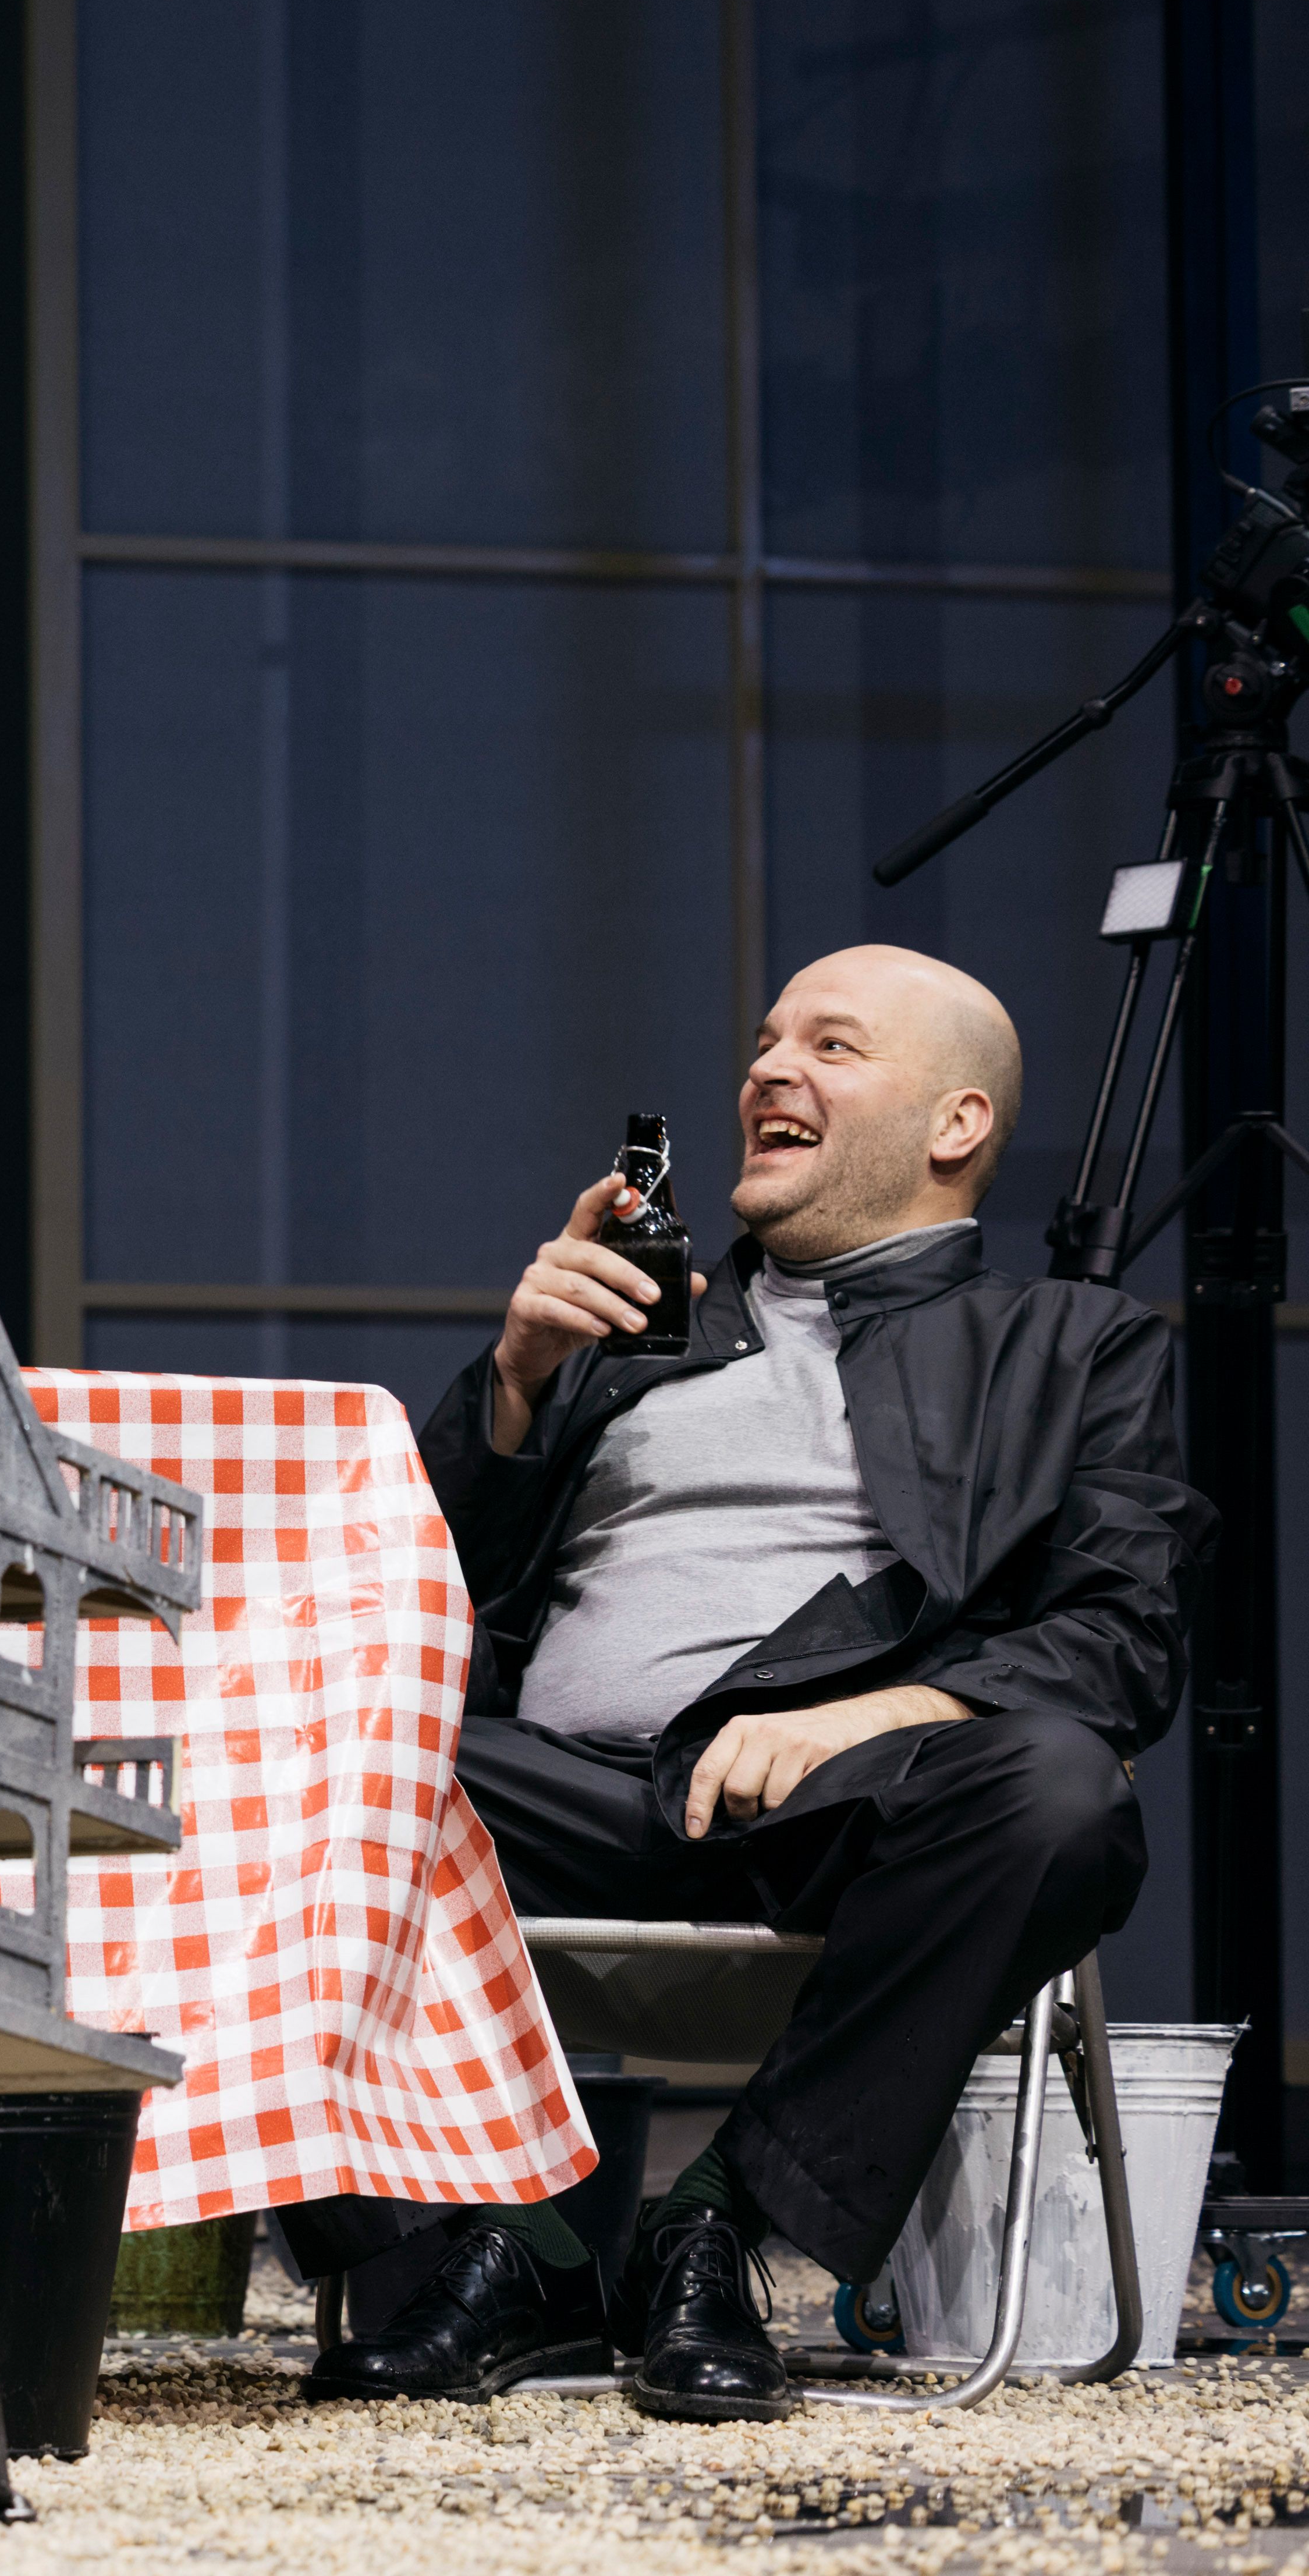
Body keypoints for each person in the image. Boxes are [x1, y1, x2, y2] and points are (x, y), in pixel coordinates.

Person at [301, 944, 1202, 2419]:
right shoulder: (625, 1335)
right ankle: (508, 2252)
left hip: (833, 1806)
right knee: (281, 1745)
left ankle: (706, 2222)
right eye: (766, 1042)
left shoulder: (1066, 1345)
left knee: (1054, 1790)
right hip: (548, 1795)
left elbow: (1122, 1632)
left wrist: (870, 1713)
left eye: (831, 1047)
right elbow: (409, 1594)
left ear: (953, 1124)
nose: (769, 1070)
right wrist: (518, 1381)